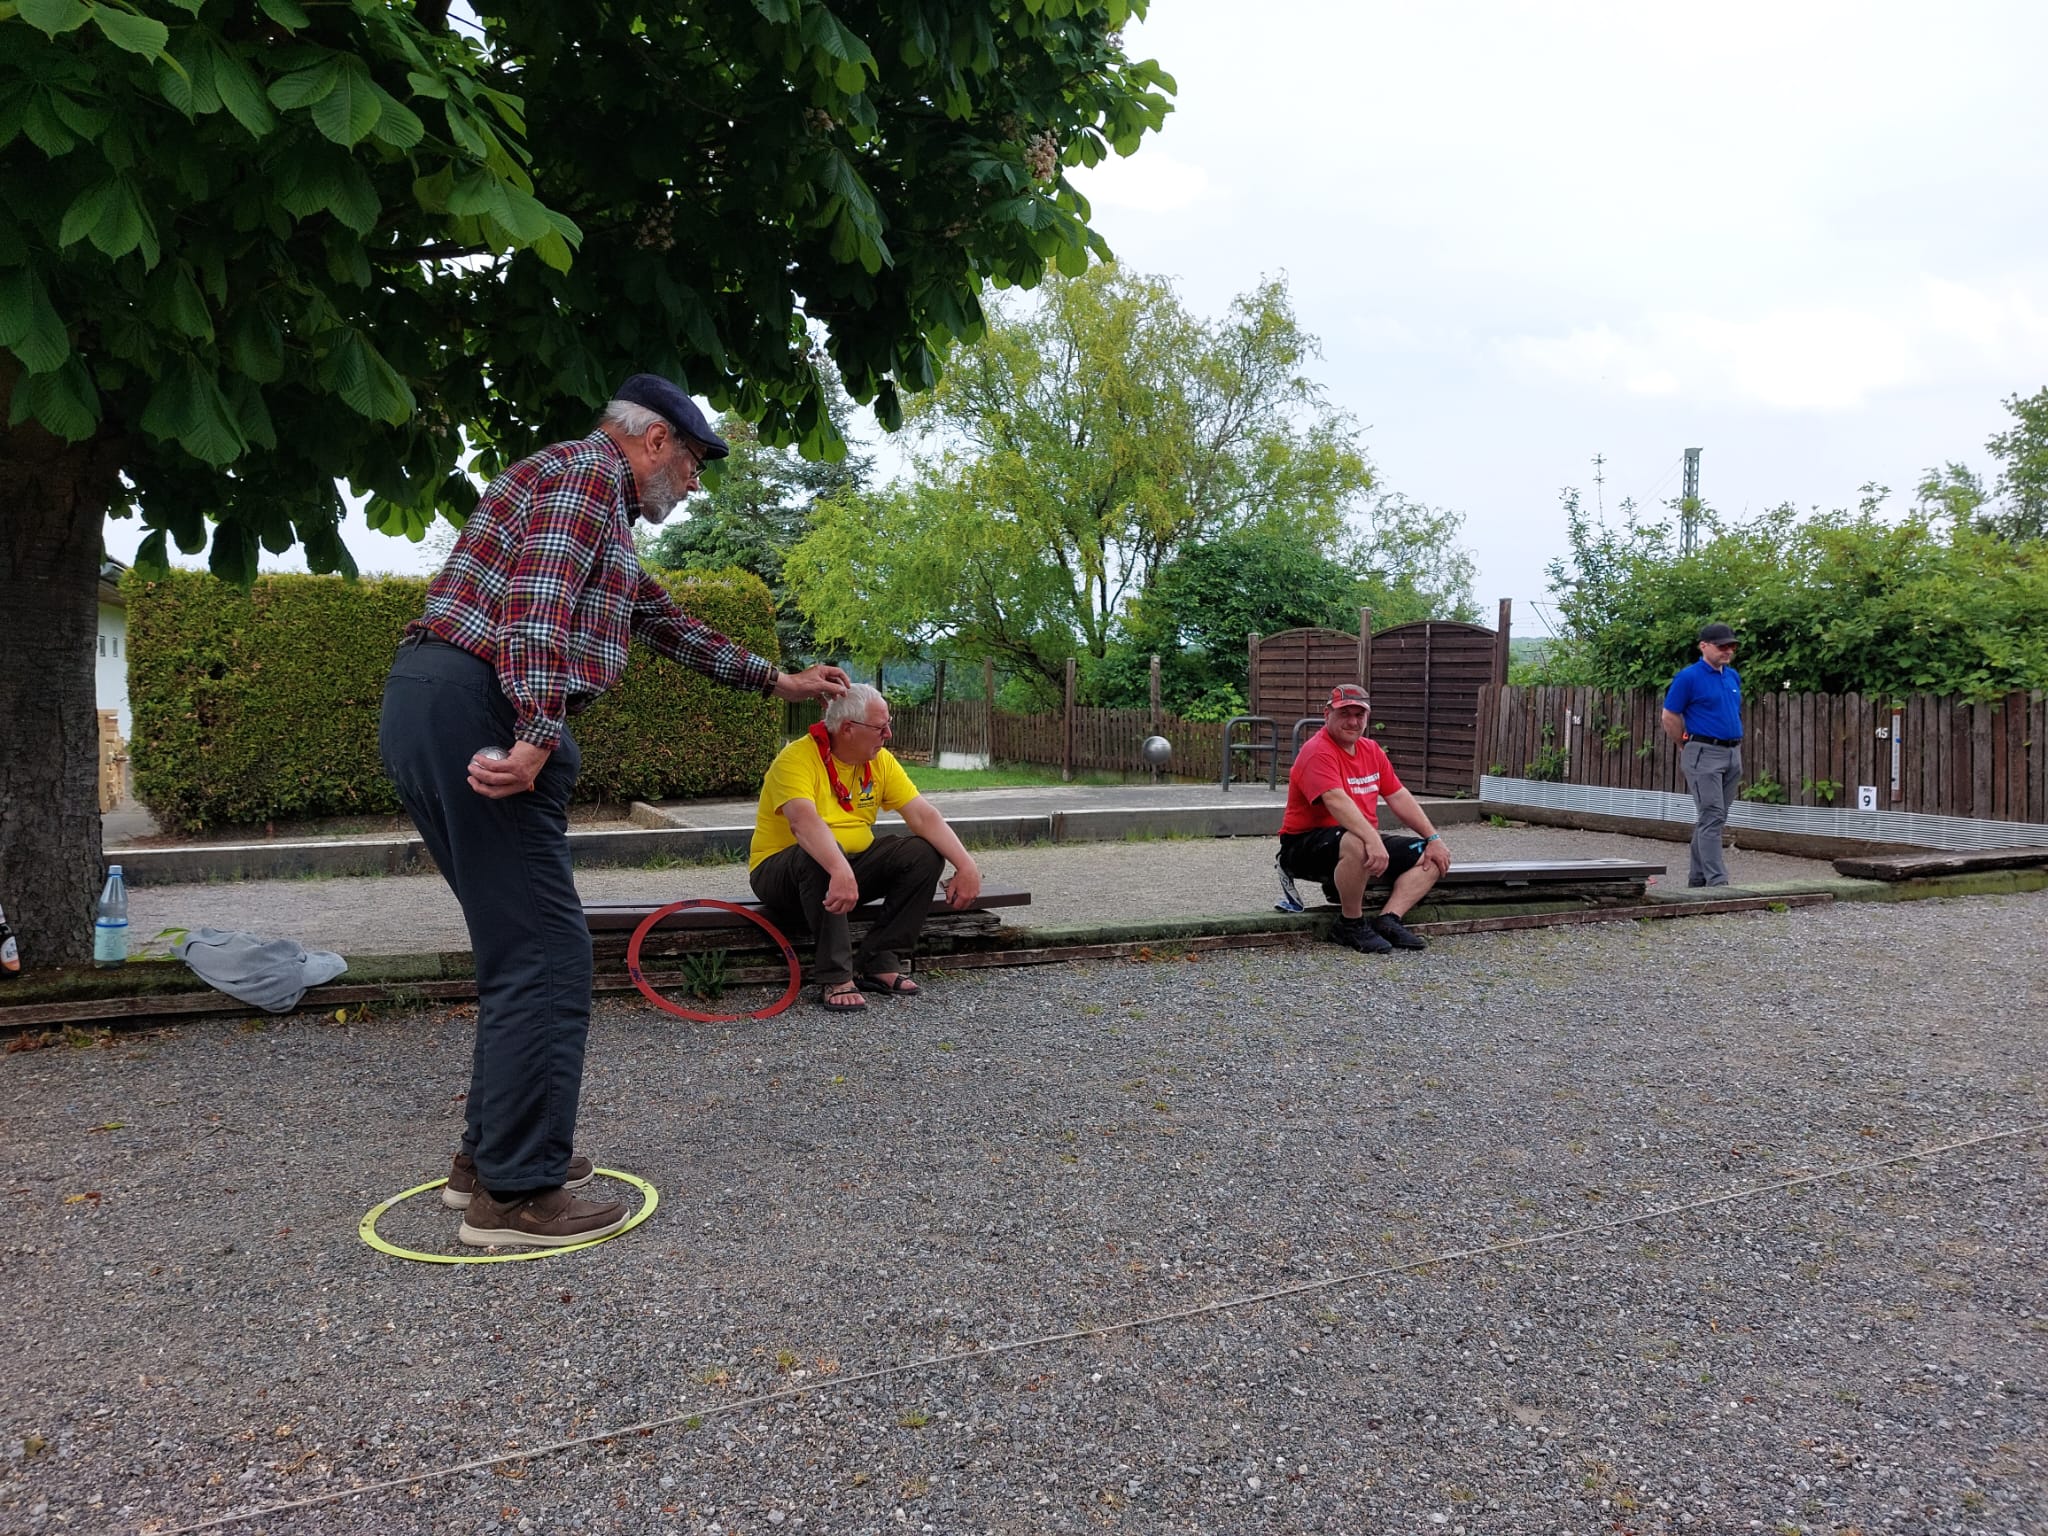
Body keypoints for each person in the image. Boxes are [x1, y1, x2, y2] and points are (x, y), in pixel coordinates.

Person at [378, 374, 849, 1249]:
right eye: (696, 462)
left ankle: (490, 1160)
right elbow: (538, 600)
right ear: (655, 439)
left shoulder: (589, 503)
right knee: (547, 954)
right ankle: (516, 1197)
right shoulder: (588, 476)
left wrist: (778, 680)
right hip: (480, 705)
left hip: (435, 699)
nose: (696, 483)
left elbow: (663, 622)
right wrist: (536, 728)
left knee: (519, 946)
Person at [748, 683, 982, 1011]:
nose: (888, 734)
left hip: (846, 867)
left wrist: (967, 865)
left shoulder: (879, 761)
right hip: (783, 872)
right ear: (847, 728)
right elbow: (804, 823)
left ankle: (881, 960)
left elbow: (922, 815)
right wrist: (838, 868)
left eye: (888, 725)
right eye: (880, 727)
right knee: (820, 855)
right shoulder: (796, 759)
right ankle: (836, 976)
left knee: (923, 853)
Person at [1276, 683, 1453, 953]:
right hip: (1302, 845)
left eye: (1359, 715)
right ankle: (1350, 924)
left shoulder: (1371, 750)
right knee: (1358, 842)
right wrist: (1372, 838)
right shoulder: (1317, 751)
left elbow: (1398, 796)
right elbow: (1335, 800)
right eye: (1345, 713)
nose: (1353, 721)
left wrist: (1434, 838)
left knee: (1430, 855)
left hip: (1354, 837)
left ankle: (1389, 919)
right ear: (1327, 714)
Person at [1660, 620, 1745, 888]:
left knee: (1714, 817)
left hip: (1732, 752)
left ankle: (1697, 880)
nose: (1727, 651)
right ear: (1704, 646)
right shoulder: (1688, 677)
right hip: (1703, 752)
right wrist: (1684, 743)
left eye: (1731, 646)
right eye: (1722, 646)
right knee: (1712, 815)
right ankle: (1717, 882)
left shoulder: (1731, 676)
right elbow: (1669, 715)